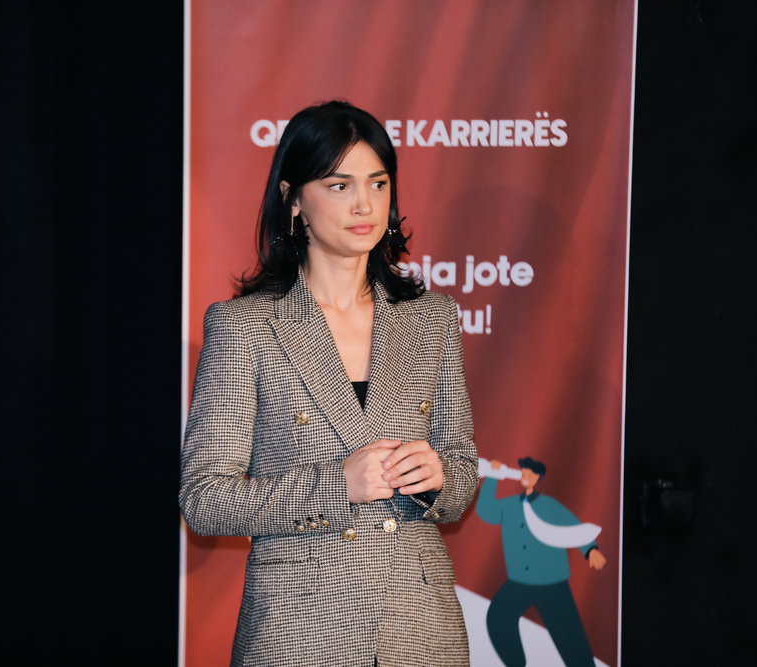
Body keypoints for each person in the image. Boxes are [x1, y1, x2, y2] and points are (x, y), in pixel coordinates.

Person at [179, 101, 479, 667]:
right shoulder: (245, 326)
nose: (364, 204)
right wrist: (335, 486)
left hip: (419, 630)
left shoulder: (431, 319)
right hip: (299, 630)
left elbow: (462, 472)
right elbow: (204, 499)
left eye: (378, 183)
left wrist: (439, 479)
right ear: (293, 199)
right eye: (339, 186)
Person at [477, 458, 607, 667]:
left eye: (529, 473)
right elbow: (486, 511)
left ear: (537, 477)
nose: (524, 475)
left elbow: (574, 527)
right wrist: (492, 476)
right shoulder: (509, 505)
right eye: (523, 471)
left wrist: (591, 550)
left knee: (572, 640)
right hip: (519, 582)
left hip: (552, 584)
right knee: (498, 617)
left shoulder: (549, 505)